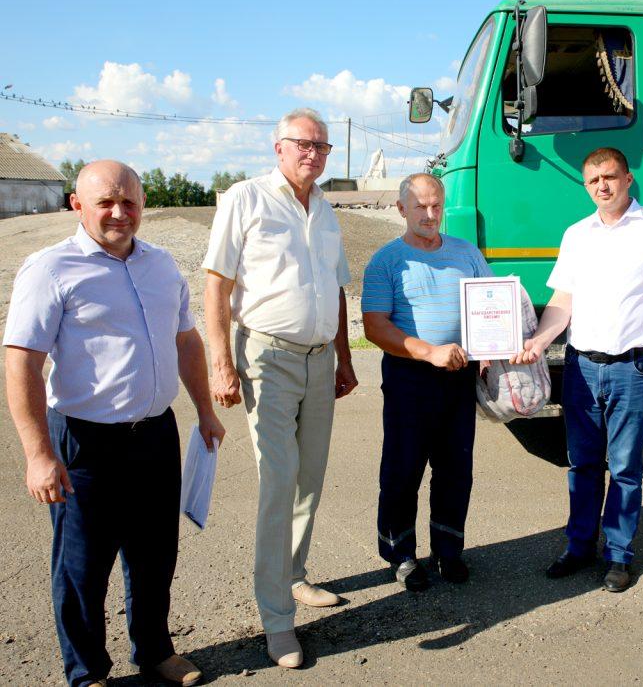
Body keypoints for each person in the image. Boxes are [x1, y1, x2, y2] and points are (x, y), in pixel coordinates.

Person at [4, 160, 224, 687]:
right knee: (82, 566)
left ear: (142, 204)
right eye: (105, 202)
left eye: (129, 202)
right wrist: (38, 454)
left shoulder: (162, 265)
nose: (119, 213)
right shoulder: (50, 269)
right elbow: (22, 362)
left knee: (154, 556)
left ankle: (155, 652)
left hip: (155, 435)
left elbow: (186, 340)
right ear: (77, 205)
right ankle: (87, 672)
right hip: (85, 442)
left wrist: (206, 410)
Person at [202, 108, 357, 668]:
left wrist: (344, 358)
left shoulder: (326, 209)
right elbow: (216, 285)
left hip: (320, 360)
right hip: (266, 357)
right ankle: (276, 619)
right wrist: (220, 363)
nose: (313, 153)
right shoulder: (245, 198)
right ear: (279, 147)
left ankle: (293, 574)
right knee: (278, 479)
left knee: (309, 477)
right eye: (303, 144)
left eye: (322, 146)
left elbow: (336, 290)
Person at [513, 147, 643, 592]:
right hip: (582, 368)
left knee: (626, 467)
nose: (602, 187)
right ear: (586, 186)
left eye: (609, 177)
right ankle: (578, 546)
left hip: (634, 368)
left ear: (628, 179)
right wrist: (539, 341)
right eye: (593, 181)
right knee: (582, 463)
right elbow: (563, 301)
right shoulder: (577, 234)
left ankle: (618, 554)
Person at [362, 172, 492, 591]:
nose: (430, 214)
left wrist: (490, 349)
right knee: (402, 471)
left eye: (436, 205)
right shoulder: (386, 261)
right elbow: (375, 327)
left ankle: (448, 551)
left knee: (455, 469)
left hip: (459, 376)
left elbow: (490, 305)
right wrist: (428, 352)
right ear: (402, 208)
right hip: (409, 377)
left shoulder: (467, 253)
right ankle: (400, 554)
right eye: (420, 206)